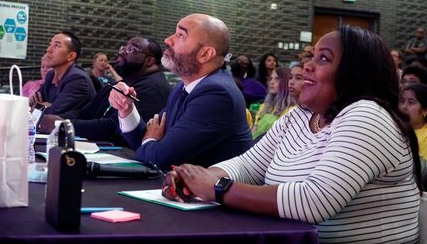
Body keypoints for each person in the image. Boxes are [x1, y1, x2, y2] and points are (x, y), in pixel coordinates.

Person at [162, 25, 421, 243]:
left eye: (324, 59)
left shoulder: (368, 115)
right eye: (313, 56)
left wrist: (217, 188)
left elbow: (315, 200)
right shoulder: (301, 115)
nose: (307, 66)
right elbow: (248, 165)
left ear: (355, 74)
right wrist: (200, 177)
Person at [109, 13, 253, 169]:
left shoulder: (217, 94)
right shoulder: (184, 86)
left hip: (207, 193)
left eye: (180, 35)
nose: (168, 40)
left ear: (205, 54)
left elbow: (159, 158)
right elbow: (148, 144)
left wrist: (150, 141)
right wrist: (126, 109)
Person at [39, 37, 171, 146]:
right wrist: (61, 120)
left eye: (132, 49)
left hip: (123, 157)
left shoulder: (152, 88)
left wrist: (64, 125)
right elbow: (87, 111)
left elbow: (114, 127)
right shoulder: (124, 82)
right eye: (123, 48)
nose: (123, 52)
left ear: (149, 61)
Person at [29, 31, 96, 116]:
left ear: (71, 56)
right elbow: (32, 102)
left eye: (56, 45)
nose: (48, 49)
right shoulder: (51, 75)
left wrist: (40, 107)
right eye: (50, 44)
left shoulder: (78, 79)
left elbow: (50, 114)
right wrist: (43, 106)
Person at [251, 67, 294, 140]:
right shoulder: (264, 106)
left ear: (287, 82)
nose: (271, 82)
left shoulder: (292, 110)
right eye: (271, 78)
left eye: (277, 79)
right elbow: (254, 131)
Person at [399, 84, 427, 187]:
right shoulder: (393, 128)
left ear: (424, 110)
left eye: (411, 102)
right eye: (402, 101)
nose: (404, 107)